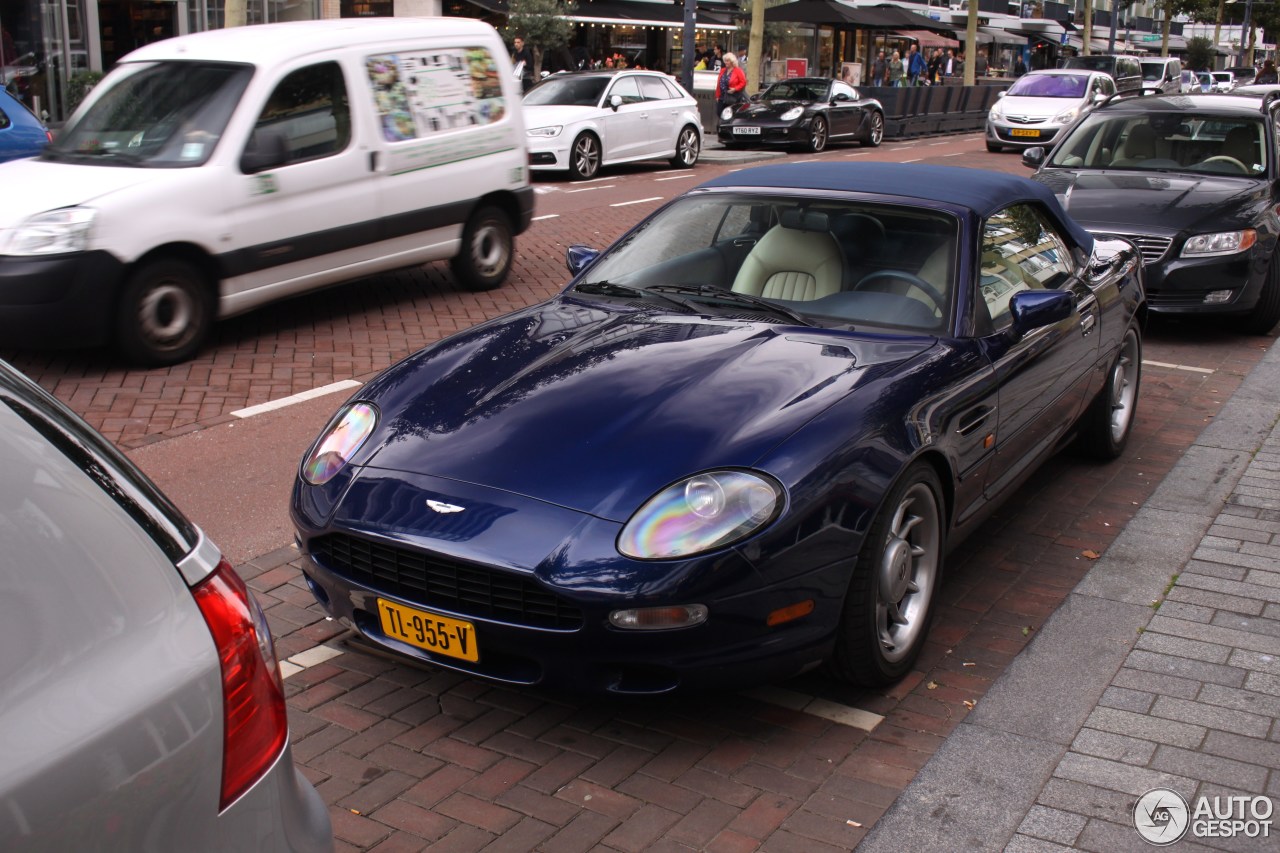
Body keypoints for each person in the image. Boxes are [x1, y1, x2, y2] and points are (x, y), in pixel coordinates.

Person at [715, 51, 748, 121]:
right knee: (719, 112)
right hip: (722, 96)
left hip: (732, 97)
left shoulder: (738, 71)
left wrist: (735, 89)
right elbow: (719, 83)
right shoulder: (723, 70)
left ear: (732, 62)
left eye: (728, 61)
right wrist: (717, 96)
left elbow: (743, 82)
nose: (726, 62)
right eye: (725, 61)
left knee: (730, 114)